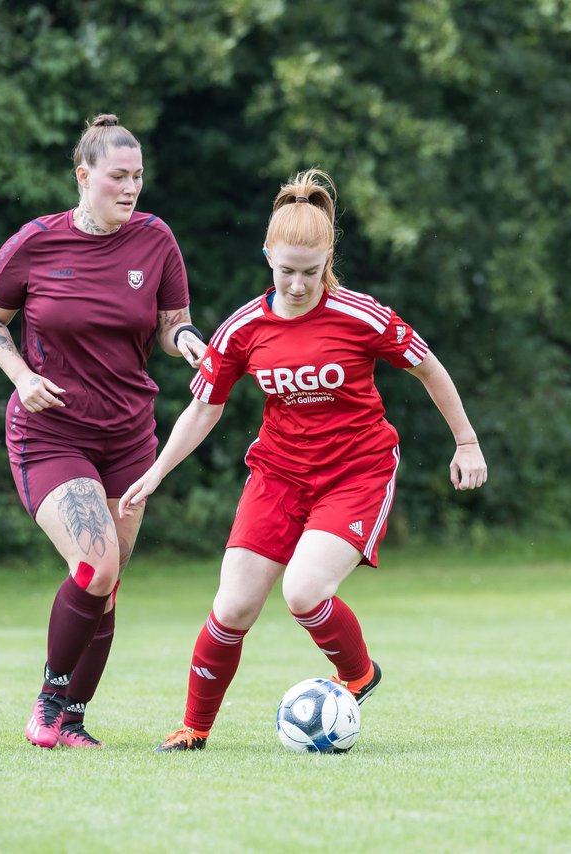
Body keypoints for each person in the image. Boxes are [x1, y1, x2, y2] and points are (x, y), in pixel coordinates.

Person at [118, 168, 488, 751]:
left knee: (303, 591)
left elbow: (428, 367)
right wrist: (156, 472)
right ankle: (195, 728)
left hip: (356, 472)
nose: (296, 285)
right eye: (285, 270)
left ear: (328, 260)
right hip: (278, 475)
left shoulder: (360, 315)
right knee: (233, 604)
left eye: (310, 273)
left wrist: (466, 441)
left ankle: (358, 674)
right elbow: (204, 410)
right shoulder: (242, 328)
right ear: (267, 255)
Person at [0, 114, 206, 749]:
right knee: (94, 564)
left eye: (138, 177)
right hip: (51, 433)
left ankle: (73, 719)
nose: (131, 189)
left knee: (108, 584)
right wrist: (20, 375)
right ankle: (47, 703)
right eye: (117, 177)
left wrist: (186, 340)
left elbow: (170, 320)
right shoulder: (36, 243)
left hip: (128, 436)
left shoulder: (156, 240)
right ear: (84, 176)